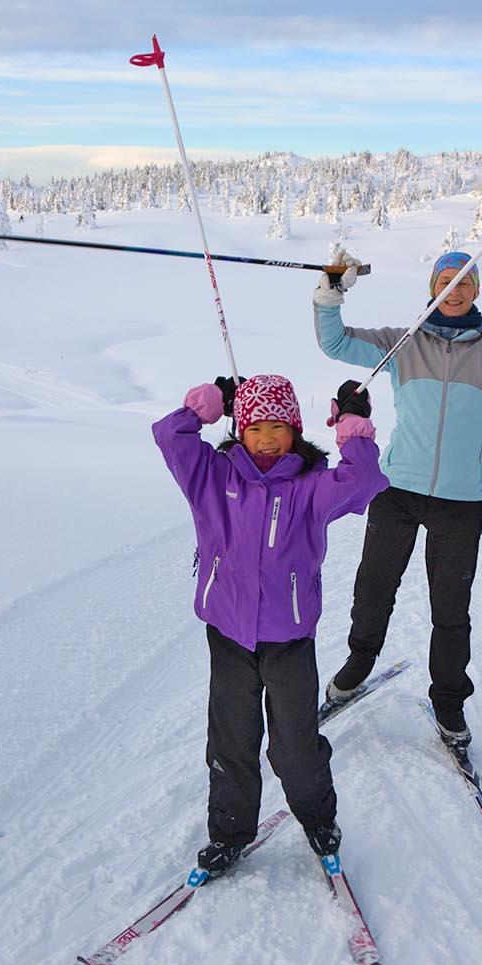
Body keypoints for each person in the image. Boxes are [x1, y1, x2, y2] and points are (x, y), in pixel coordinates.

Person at [312, 251, 482, 754]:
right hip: (396, 490)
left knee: (451, 608)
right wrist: (332, 292)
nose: (453, 291)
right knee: (373, 588)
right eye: (444, 281)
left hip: (459, 501)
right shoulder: (402, 344)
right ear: (431, 287)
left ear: (476, 291)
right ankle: (357, 666)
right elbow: (334, 342)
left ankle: (449, 703)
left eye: (463, 283)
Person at [152, 374, 388, 875]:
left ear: (295, 431)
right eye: (255, 425)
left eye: (278, 426)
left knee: (294, 745)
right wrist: (204, 407)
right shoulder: (213, 478)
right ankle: (230, 834)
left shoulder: (310, 487)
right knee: (231, 742)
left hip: (289, 641)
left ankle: (320, 822)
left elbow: (365, 482)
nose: (265, 436)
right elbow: (170, 437)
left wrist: (352, 427)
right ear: (240, 427)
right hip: (229, 636)